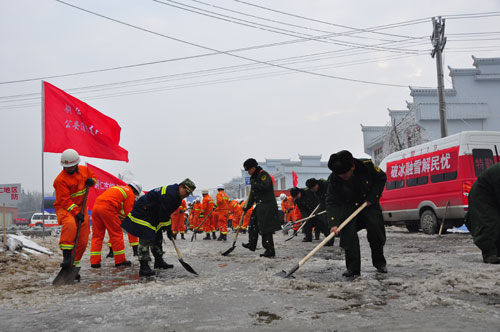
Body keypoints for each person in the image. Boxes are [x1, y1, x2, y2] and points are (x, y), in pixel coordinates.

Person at [326, 150, 387, 278]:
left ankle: (379, 263)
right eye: (339, 175)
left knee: (376, 232)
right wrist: (334, 223)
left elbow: (381, 178)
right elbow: (332, 202)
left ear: (352, 166)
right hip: (349, 207)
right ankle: (353, 268)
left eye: (344, 174)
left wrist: (372, 197)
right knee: (348, 236)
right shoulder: (334, 179)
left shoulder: (367, 166)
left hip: (368, 203)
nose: (342, 177)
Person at [121, 179, 196, 276]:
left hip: (154, 214)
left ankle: (159, 261)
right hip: (143, 211)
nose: (187, 195)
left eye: (189, 193)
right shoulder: (170, 194)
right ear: (181, 187)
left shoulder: (177, 197)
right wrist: (169, 230)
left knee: (157, 235)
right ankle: (144, 267)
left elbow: (166, 213)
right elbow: (164, 213)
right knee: (146, 236)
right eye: (187, 192)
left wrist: (168, 229)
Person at [53, 149, 96, 279]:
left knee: (82, 239)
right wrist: (76, 213)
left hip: (81, 209)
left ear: (76, 164)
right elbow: (65, 200)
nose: (69, 169)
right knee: (70, 225)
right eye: (66, 167)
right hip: (65, 208)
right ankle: (66, 257)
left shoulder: (84, 170)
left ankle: (72, 266)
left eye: (71, 166)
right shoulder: (60, 180)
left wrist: (91, 182)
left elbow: (93, 178)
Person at [90, 181, 142, 268]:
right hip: (108, 208)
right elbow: (128, 212)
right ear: (135, 191)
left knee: (97, 236)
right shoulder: (129, 193)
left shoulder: (117, 188)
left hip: (96, 207)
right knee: (116, 234)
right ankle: (120, 261)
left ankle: (95, 262)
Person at [241, 158, 281, 258]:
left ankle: (269, 250)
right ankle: (252, 244)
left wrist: (254, 184)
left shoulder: (263, 175)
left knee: (265, 229)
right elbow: (252, 195)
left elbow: (265, 186)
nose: (248, 173)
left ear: (253, 168)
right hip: (260, 206)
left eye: (249, 170)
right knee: (253, 224)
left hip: (267, 206)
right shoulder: (254, 178)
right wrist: (247, 206)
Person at [467, 162, 500, 264]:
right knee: (489, 222)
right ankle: (489, 254)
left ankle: (496, 251)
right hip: (481, 196)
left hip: (492, 195)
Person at [306, 178, 334, 245]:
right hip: (325, 206)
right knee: (320, 220)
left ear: (316, 184)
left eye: (313, 188)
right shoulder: (316, 192)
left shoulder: (326, 186)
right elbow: (321, 202)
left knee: (330, 222)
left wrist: (329, 208)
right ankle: (328, 238)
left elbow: (332, 197)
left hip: (334, 205)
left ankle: (333, 238)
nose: (312, 190)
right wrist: (318, 212)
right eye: (311, 189)